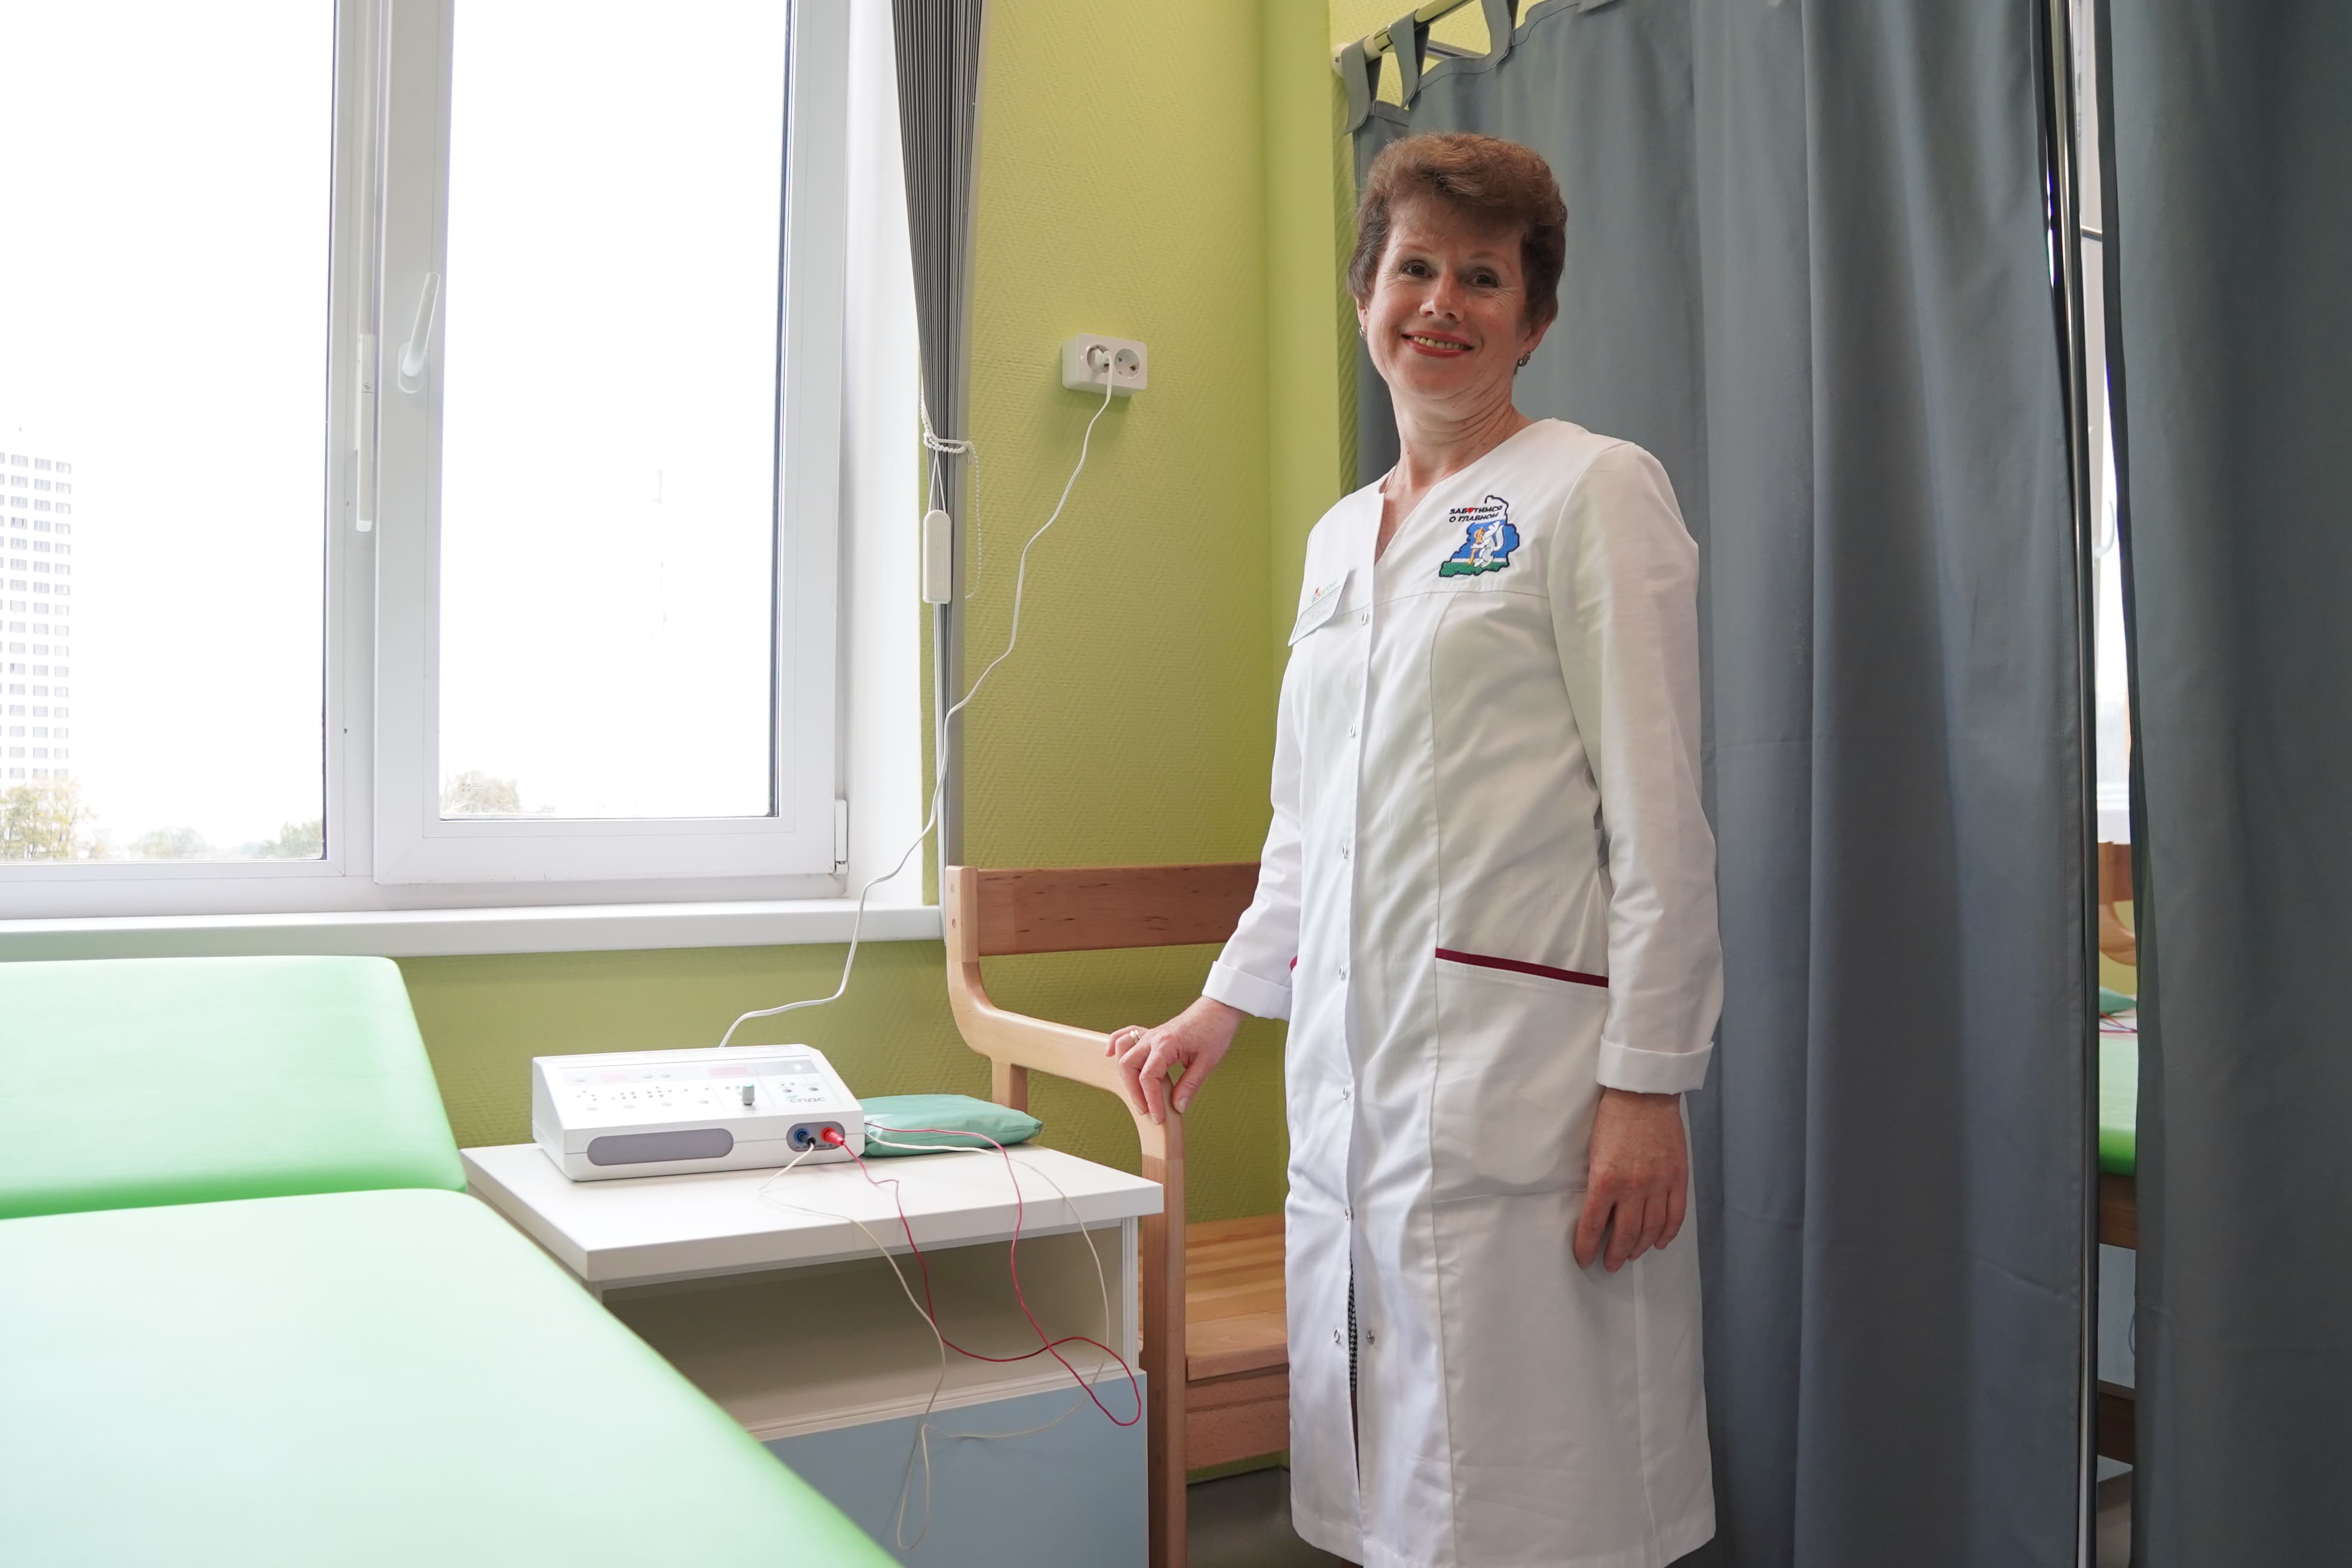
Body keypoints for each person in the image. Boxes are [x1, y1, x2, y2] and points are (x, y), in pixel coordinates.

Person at [1107, 132, 1722, 1568]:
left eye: (1484, 277)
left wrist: (1649, 1083)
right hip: (1356, 1082)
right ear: (1366, 295)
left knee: (1541, 1499)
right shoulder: (1339, 541)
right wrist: (1220, 1004)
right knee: (1393, 1485)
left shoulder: (1592, 489)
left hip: (1532, 1088)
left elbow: (1660, 818)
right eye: (1415, 268)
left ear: (1534, 318)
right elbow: (1308, 819)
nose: (1442, 302)